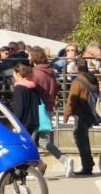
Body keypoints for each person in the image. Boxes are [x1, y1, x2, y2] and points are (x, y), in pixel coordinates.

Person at [29, 46, 71, 175]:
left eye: (30, 55)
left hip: (37, 109)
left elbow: (32, 90)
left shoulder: (35, 72)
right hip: (48, 107)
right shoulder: (50, 70)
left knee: (30, 140)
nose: (28, 57)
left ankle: (33, 168)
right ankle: (64, 160)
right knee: (42, 140)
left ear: (34, 57)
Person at [63, 67, 97, 177]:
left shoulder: (77, 81)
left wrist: (66, 115)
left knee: (81, 141)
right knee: (84, 140)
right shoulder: (93, 79)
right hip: (91, 113)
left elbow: (71, 99)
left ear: (77, 69)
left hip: (81, 114)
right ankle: (88, 163)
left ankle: (87, 166)